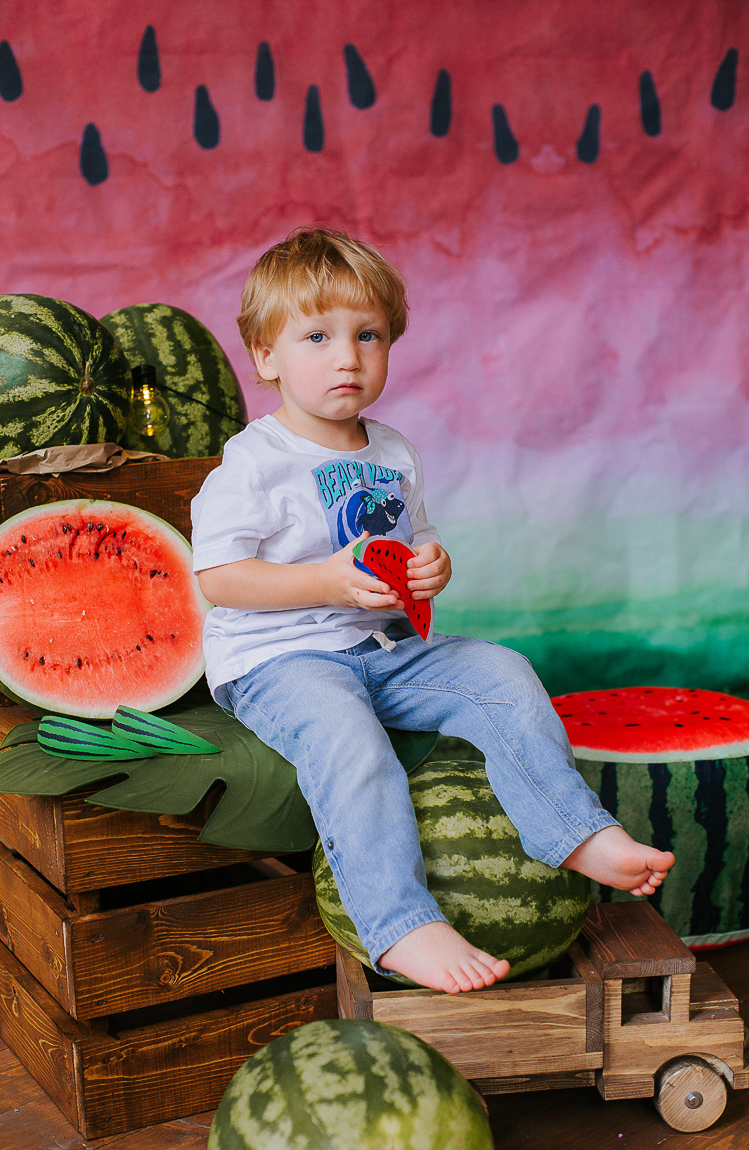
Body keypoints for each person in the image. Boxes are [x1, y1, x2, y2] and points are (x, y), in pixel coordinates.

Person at [191, 227, 675, 994]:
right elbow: (219, 577)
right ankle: (399, 925)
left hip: (385, 649)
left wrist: (432, 565)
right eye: (317, 336)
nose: (347, 356)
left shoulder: (391, 451)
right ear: (265, 357)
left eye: (368, 335)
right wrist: (323, 580)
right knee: (348, 740)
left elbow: (416, 543)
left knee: (501, 672)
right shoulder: (254, 463)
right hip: (279, 660)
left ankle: (575, 832)